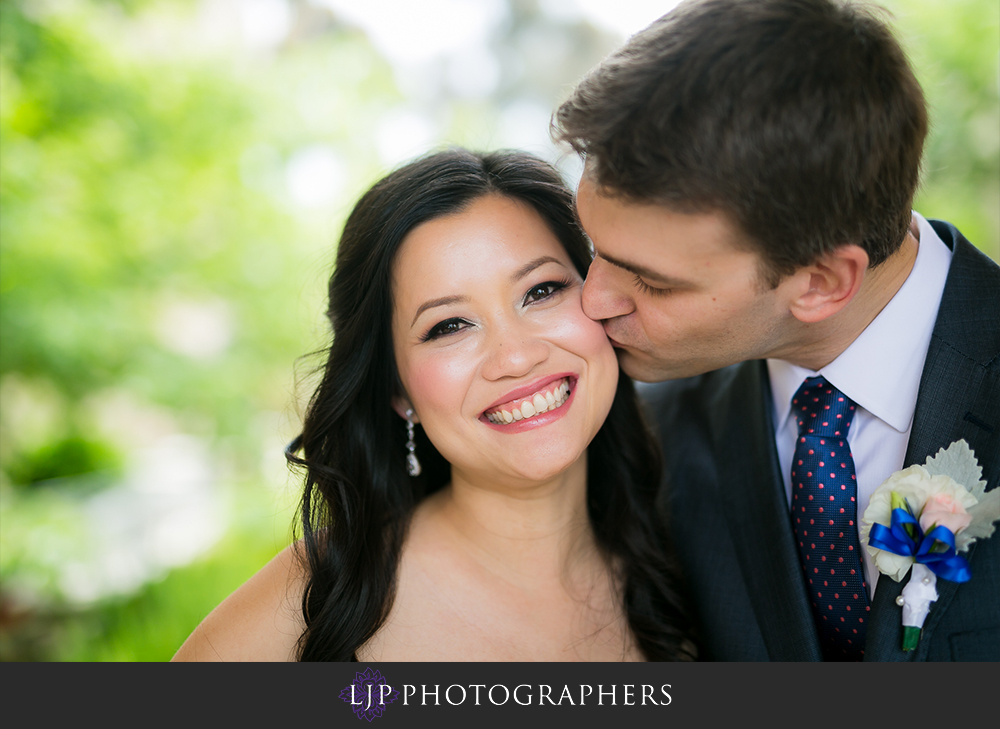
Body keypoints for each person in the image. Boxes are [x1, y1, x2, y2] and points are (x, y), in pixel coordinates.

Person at [553, 0, 999, 661]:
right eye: (595, 249)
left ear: (820, 282)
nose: (591, 301)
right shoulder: (639, 435)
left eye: (650, 279)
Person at [172, 149, 695, 662]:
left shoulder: (699, 553)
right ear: (397, 390)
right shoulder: (316, 602)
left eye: (541, 290)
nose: (515, 356)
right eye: (449, 326)